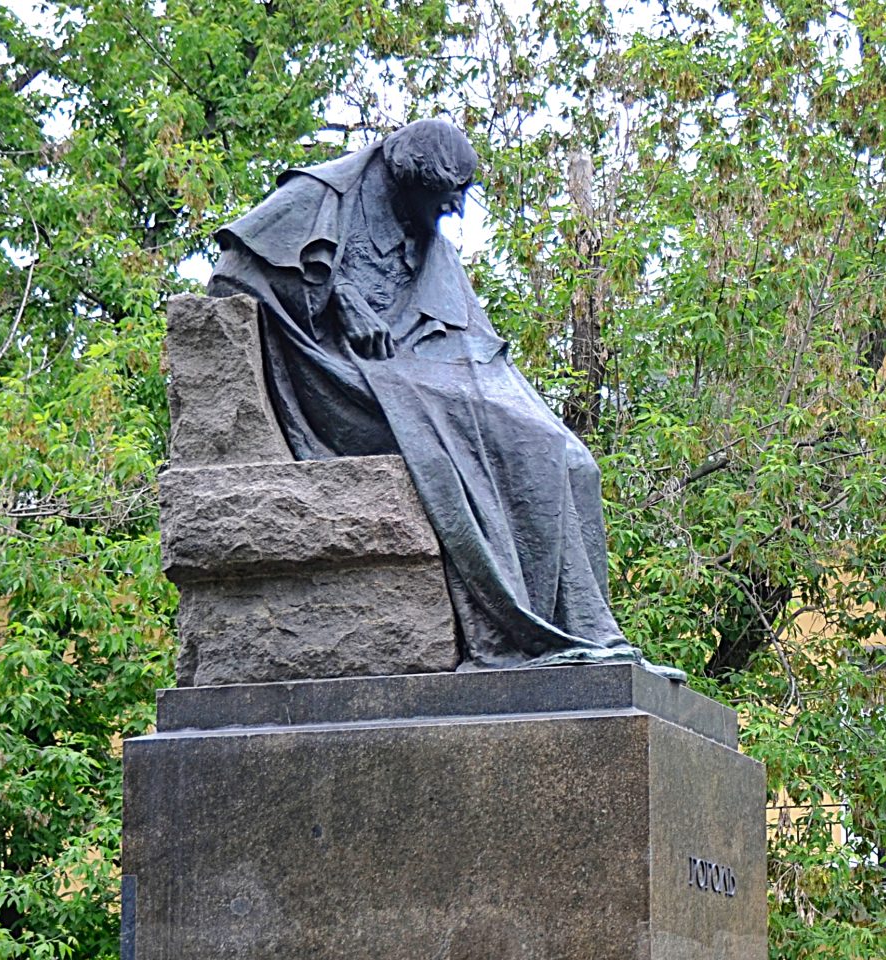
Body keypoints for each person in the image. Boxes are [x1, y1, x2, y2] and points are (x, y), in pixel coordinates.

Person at [207, 119, 662, 675]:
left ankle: (592, 631)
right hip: (348, 382)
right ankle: (542, 632)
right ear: (410, 183)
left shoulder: (424, 233)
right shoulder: (322, 195)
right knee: (527, 445)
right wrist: (335, 295)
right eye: (448, 197)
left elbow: (467, 333)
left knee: (574, 461)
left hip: (429, 372)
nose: (456, 213)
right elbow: (231, 274)